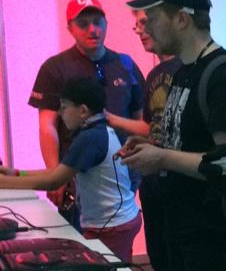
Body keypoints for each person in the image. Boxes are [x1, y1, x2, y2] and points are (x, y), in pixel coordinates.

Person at [118, 0, 226, 271]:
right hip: (181, 234)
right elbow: (186, 142)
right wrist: (152, 147)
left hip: (213, 240)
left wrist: (161, 158)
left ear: (181, 19)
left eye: (153, 17)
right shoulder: (182, 73)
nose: (145, 26)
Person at [28, 0, 145, 219]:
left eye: (97, 22)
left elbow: (140, 121)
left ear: (106, 24)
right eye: (83, 24)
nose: (92, 30)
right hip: (76, 179)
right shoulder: (55, 68)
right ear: (70, 28)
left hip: (122, 179)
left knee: (119, 235)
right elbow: (47, 127)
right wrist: (55, 175)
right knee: (78, 238)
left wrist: (138, 168)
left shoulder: (125, 65)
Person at [0, 78, 141, 261]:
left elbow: (54, 181)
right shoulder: (98, 130)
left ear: (83, 111)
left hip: (112, 226)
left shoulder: (89, 138)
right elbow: (60, 170)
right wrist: (17, 173)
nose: (60, 113)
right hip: (118, 221)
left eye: (64, 107)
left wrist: (5, 183)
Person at [107, 9, 182, 271]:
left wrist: (111, 119)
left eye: (144, 22)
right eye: (136, 23)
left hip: (182, 192)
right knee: (164, 267)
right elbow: (155, 128)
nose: (138, 29)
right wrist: (142, 142)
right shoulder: (153, 75)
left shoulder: (191, 70)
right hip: (155, 188)